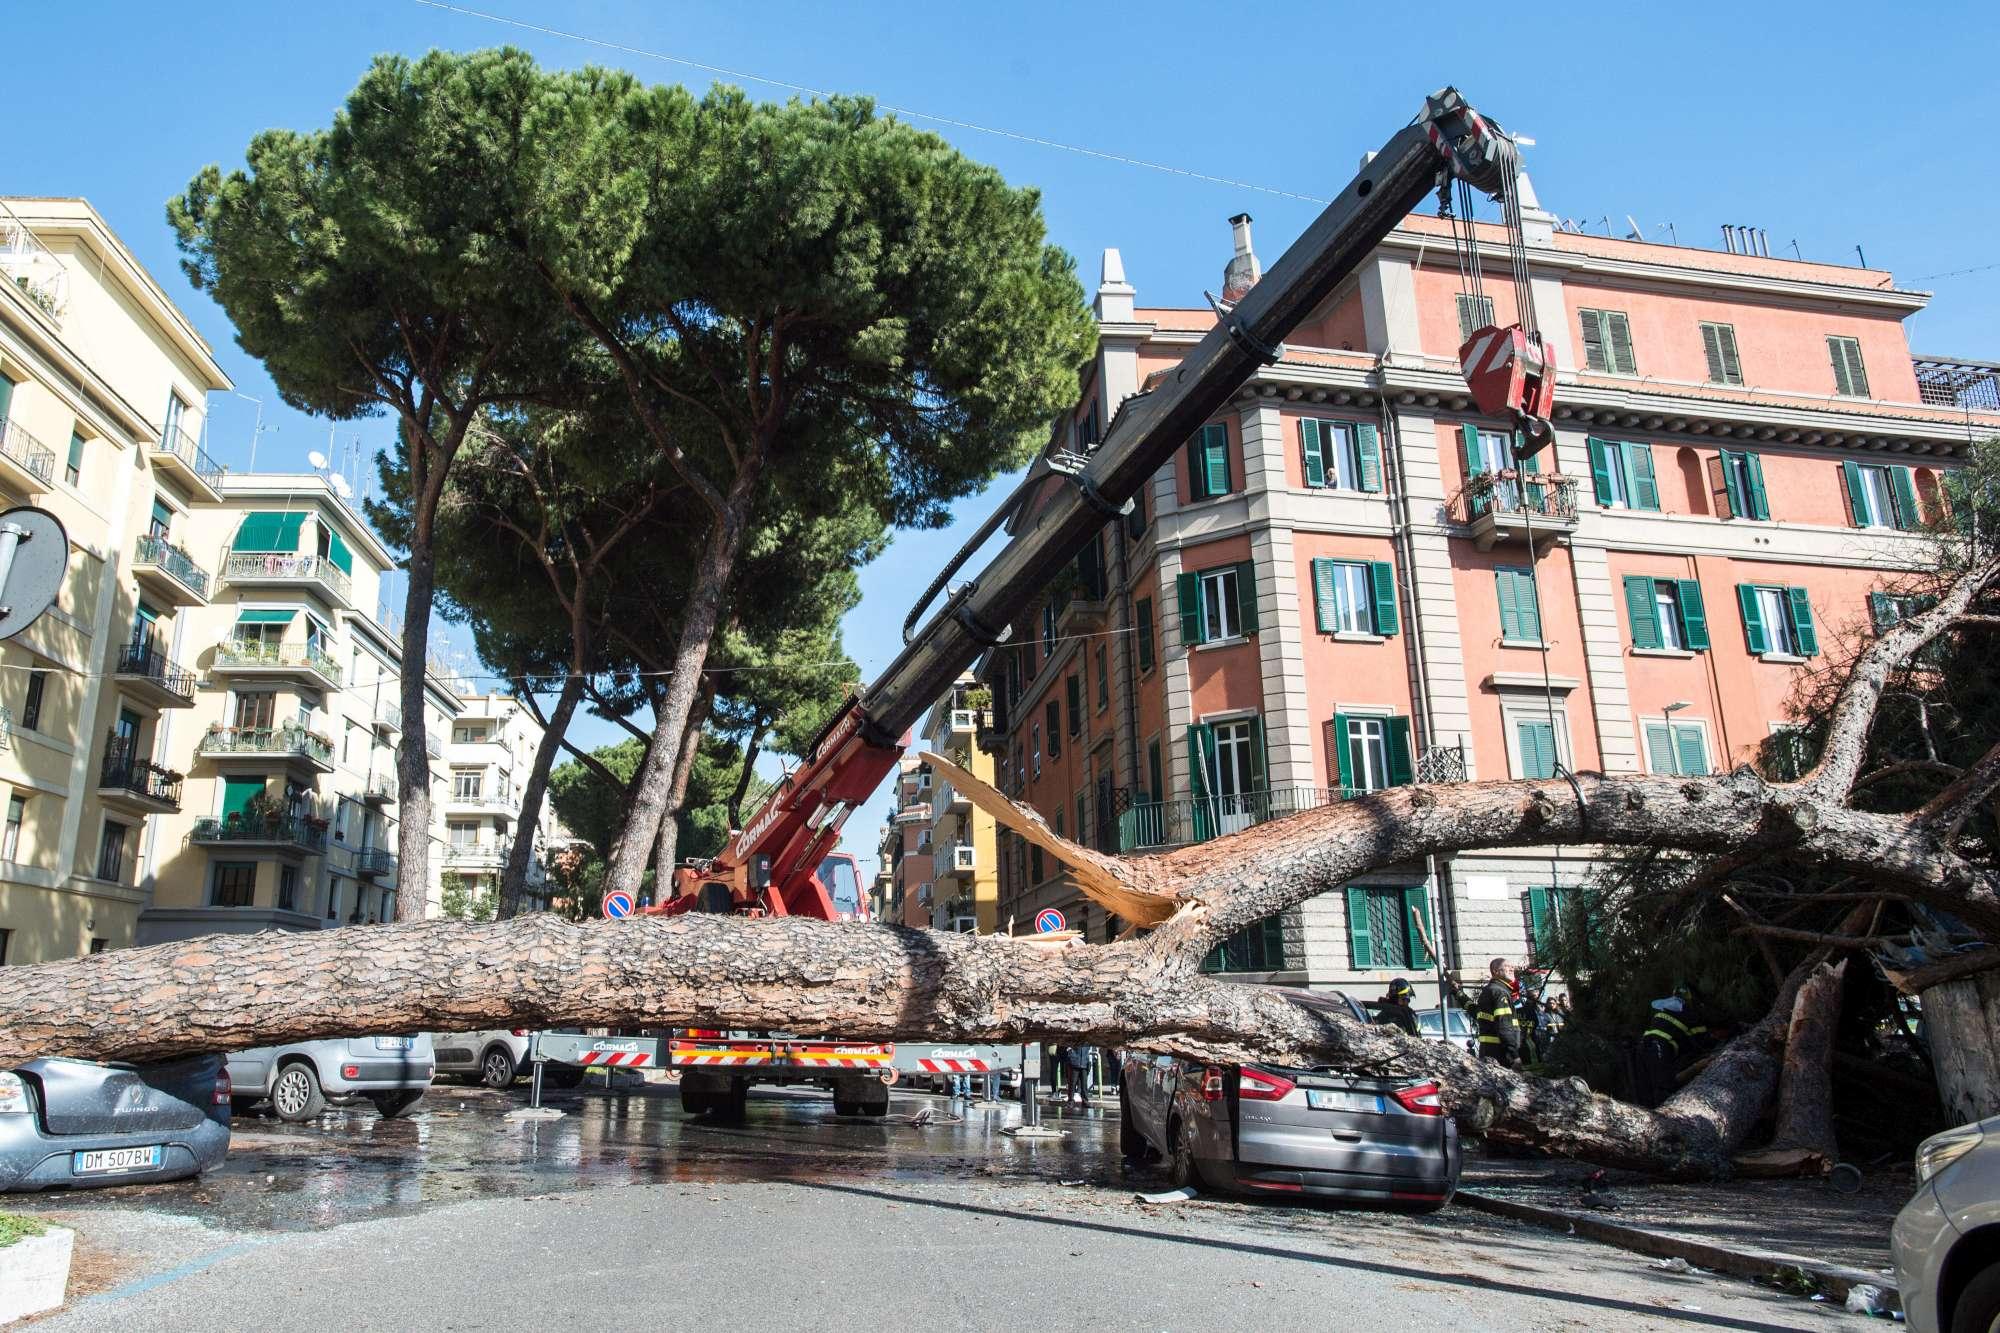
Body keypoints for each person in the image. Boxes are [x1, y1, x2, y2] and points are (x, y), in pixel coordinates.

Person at [1634, 985, 1711, 1106]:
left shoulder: (1664, 1007)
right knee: (1664, 1087)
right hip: (1659, 1048)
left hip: (1643, 1047)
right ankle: (1665, 1117)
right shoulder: (1686, 1010)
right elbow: (1700, 1036)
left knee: (1646, 1088)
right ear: (1689, 998)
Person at [1474, 958, 1523, 1067]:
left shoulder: (1490, 990)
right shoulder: (1500, 992)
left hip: (1489, 1051)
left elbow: (1475, 1012)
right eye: (1507, 966)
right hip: (1501, 1053)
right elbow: (1504, 1026)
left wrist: (1459, 994)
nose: (1512, 968)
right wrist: (1515, 1055)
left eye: (1512, 966)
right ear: (1495, 972)